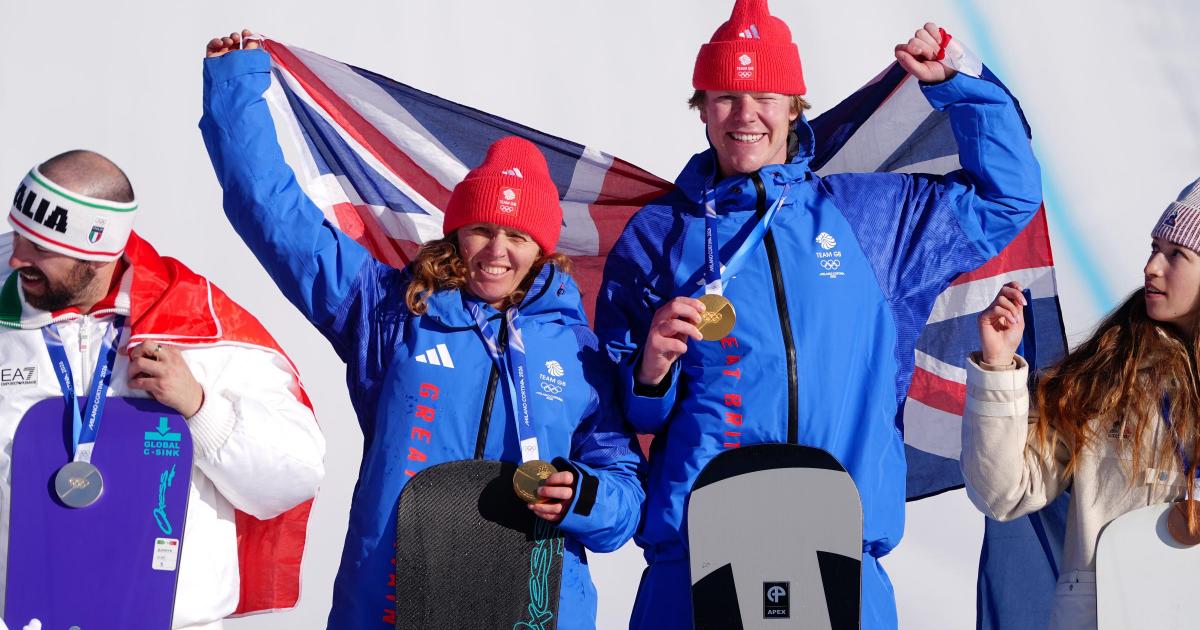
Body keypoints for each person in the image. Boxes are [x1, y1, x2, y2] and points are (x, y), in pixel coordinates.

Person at [594, 1, 1043, 627]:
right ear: (701, 108)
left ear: (793, 106)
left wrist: (960, 85)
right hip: (696, 562)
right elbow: (620, 414)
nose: (745, 115)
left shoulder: (874, 221)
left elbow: (1007, 197)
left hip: (839, 556)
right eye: (725, 97)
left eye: (765, 96)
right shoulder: (658, 236)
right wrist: (650, 373)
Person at [200, 31, 645, 630]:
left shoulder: (578, 352)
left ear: (541, 248)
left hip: (534, 608)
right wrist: (236, 87)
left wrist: (583, 496)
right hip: (395, 597)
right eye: (482, 229)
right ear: (456, 232)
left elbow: (624, 496)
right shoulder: (390, 311)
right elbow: (274, 216)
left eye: (517, 236)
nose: (497, 251)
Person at [0, 150, 325, 628]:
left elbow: (293, 479)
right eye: (19, 233)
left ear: (98, 253)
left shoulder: (197, 321)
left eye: (42, 248)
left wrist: (201, 410)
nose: (16, 258)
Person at [962, 178, 1200, 629]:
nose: (1151, 267)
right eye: (1154, 248)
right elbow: (1003, 493)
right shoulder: (1104, 377)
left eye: (1176, 255)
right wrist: (997, 367)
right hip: (1104, 613)